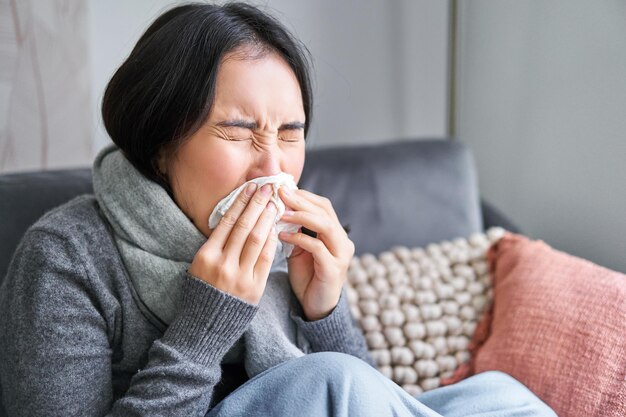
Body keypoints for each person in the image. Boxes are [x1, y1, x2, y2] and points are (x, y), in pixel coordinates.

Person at [0, 3, 557, 416]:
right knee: (333, 383)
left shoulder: (287, 248)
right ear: (160, 142)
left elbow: (372, 397)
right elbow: (340, 394)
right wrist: (205, 323)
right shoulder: (64, 257)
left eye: (290, 134)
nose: (273, 168)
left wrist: (326, 310)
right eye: (238, 132)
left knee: (502, 397)